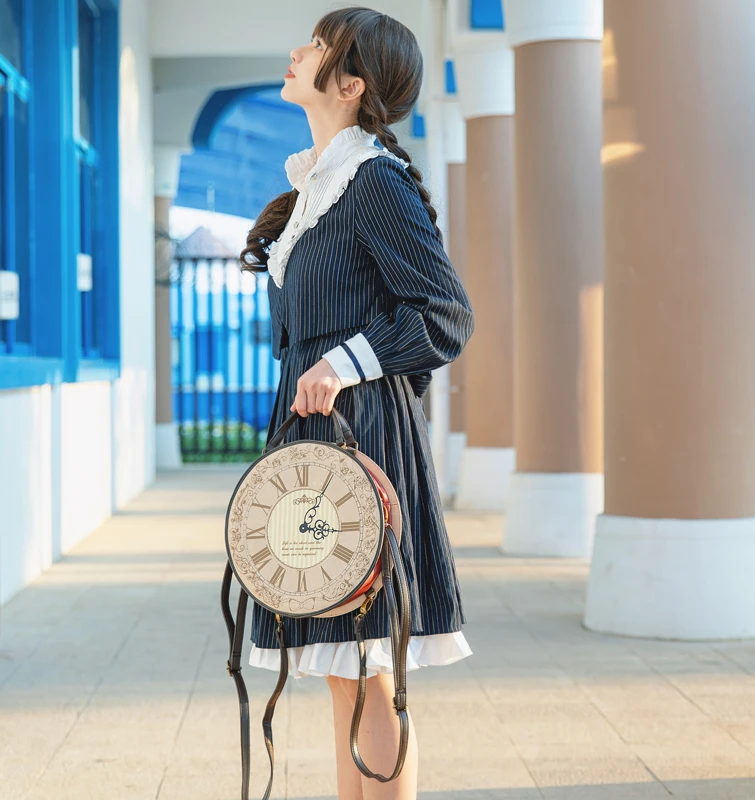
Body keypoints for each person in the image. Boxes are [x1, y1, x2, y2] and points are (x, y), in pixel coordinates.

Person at [239, 7, 475, 798]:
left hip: (359, 439)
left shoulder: (372, 180)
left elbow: (445, 313)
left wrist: (343, 362)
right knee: (344, 669)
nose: (296, 50)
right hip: (319, 440)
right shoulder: (324, 181)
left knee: (372, 667)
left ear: (350, 82)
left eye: (316, 43)